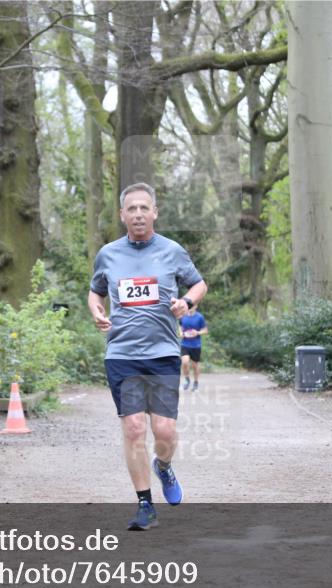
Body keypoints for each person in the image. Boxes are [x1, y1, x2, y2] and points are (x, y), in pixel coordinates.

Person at [87, 182, 207, 530]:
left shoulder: (172, 251)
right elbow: (95, 293)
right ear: (122, 215)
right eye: (131, 209)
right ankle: (145, 505)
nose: (138, 214)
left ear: (154, 212)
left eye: (144, 208)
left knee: (165, 432)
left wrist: (187, 302)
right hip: (122, 354)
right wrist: (97, 311)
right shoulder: (108, 254)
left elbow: (199, 284)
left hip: (164, 352)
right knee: (135, 428)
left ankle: (164, 468)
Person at [179, 304, 208, 391]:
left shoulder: (200, 317)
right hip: (185, 344)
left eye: (193, 305)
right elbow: (180, 326)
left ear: (196, 306)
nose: (191, 307)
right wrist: (181, 333)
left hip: (196, 345)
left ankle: (196, 383)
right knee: (185, 362)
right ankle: (187, 380)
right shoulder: (183, 316)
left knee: (195, 365)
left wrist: (198, 333)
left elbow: (205, 330)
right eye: (189, 305)